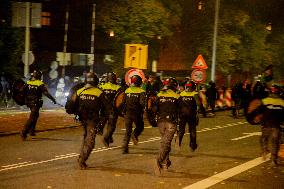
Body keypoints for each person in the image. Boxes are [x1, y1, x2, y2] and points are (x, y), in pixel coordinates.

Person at [75, 72, 112, 169]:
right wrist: (106, 119)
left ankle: (81, 156)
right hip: (92, 120)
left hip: (82, 119)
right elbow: (107, 108)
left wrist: (76, 114)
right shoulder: (99, 93)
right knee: (90, 141)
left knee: (86, 138)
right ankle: (82, 159)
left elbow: (71, 105)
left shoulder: (80, 91)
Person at [153, 77, 180, 175]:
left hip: (160, 122)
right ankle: (158, 161)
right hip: (171, 122)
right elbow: (180, 111)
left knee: (165, 142)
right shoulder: (177, 96)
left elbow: (154, 109)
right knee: (166, 143)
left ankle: (166, 162)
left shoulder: (159, 95)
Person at [20, 70, 57, 140]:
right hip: (35, 102)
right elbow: (46, 93)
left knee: (36, 115)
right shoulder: (39, 83)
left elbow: (21, 90)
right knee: (32, 117)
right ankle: (24, 132)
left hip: (29, 102)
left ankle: (32, 131)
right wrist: (53, 99)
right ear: (39, 76)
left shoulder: (28, 82)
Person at [259, 84, 284, 166]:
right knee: (275, 142)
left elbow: (259, 112)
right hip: (276, 125)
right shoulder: (282, 102)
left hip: (265, 124)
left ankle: (264, 151)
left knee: (264, 138)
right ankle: (273, 160)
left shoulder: (264, 100)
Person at [121, 74, 146, 154]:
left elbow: (123, 102)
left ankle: (124, 149)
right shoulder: (141, 91)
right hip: (136, 113)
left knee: (128, 131)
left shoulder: (127, 90)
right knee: (140, 126)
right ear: (139, 82)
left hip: (127, 113)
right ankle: (135, 135)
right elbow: (142, 103)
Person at [99, 72, 122, 147]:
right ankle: (106, 138)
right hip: (113, 110)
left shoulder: (101, 86)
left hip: (103, 109)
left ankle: (107, 136)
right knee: (111, 125)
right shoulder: (117, 88)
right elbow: (120, 100)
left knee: (103, 121)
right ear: (114, 79)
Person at [177, 80, 200, 151]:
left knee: (181, 130)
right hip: (191, 115)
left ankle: (178, 144)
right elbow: (199, 104)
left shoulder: (181, 94)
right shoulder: (195, 94)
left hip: (182, 115)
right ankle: (192, 146)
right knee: (192, 130)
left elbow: (177, 105)